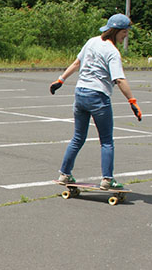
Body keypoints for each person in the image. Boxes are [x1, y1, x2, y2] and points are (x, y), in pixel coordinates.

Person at [49, 13, 142, 190]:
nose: (125, 37)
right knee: (106, 141)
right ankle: (107, 179)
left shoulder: (91, 41)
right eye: (124, 33)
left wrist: (60, 80)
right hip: (98, 97)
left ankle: (64, 174)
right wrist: (132, 101)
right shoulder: (112, 52)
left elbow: (77, 63)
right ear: (116, 32)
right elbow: (119, 80)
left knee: (78, 137)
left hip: (80, 94)